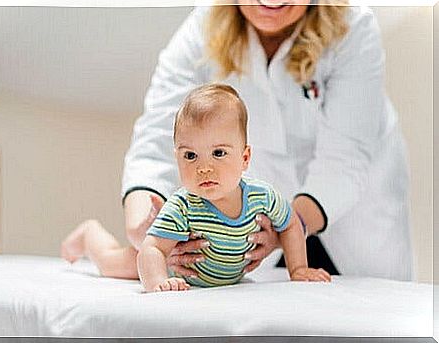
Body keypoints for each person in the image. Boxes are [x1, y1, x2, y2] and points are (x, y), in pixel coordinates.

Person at [118, 0, 414, 281]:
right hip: (259, 230)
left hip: (353, 218)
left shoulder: (354, 27)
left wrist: (286, 229)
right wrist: (145, 218)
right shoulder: (203, 27)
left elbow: (344, 160)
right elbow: (156, 138)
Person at [62, 84, 331, 291]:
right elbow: (152, 250)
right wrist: (158, 282)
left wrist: (297, 269)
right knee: (111, 264)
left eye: (218, 153)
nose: (204, 168)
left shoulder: (263, 197)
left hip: (222, 273)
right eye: (190, 156)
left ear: (245, 158)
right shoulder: (182, 206)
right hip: (173, 268)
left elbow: (291, 224)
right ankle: (89, 235)